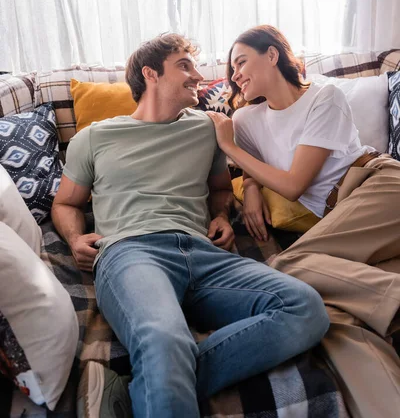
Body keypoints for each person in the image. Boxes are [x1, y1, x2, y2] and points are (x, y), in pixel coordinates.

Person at [51, 33, 328, 418]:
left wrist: (220, 215)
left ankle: (146, 386)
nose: (198, 75)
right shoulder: (94, 137)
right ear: (150, 74)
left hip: (204, 254)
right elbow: (65, 203)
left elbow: (219, 190)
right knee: (166, 339)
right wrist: (75, 236)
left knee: (305, 308)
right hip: (132, 252)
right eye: (185, 65)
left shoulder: (209, 128)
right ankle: (162, 372)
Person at [206, 25, 400, 418]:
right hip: (343, 220)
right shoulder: (246, 120)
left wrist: (227, 146)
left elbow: (295, 184)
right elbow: (255, 163)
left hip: (379, 187)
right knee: (335, 316)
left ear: (273, 54)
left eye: (241, 61)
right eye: (232, 70)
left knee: (286, 266)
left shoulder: (323, 97)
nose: (236, 74)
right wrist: (254, 187)